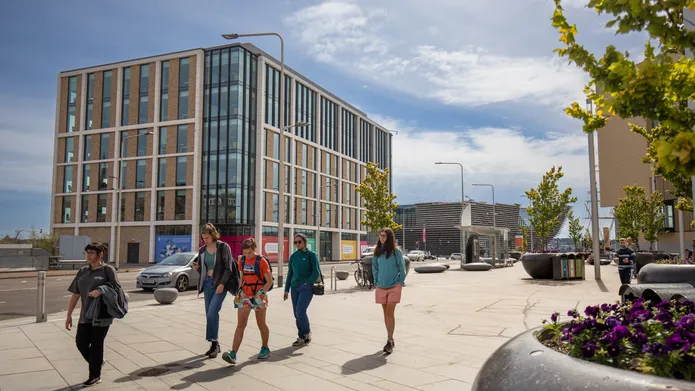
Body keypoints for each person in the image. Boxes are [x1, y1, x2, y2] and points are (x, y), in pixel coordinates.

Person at [65, 242, 119, 387]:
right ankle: (98, 361)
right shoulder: (82, 271)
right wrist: (69, 315)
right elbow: (75, 294)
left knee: (96, 345)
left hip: (102, 315)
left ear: (100, 254)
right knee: (81, 343)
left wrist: (101, 290)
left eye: (91, 253)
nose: (88, 255)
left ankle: (95, 376)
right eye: (86, 252)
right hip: (85, 315)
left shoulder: (108, 270)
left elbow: (116, 288)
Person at [222, 238, 273, 364]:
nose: (247, 255)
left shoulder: (261, 261)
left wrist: (260, 294)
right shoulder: (242, 260)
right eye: (245, 253)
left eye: (249, 253)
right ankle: (233, 353)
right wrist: (239, 291)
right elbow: (242, 278)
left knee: (261, 324)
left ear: (254, 249)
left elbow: (269, 282)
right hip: (245, 294)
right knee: (240, 324)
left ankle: (265, 347)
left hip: (258, 295)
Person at [192, 223, 236, 359]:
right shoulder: (202, 250)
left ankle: (214, 344)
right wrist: (197, 268)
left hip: (219, 284)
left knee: (212, 312)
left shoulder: (223, 247)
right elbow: (203, 269)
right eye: (203, 238)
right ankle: (214, 343)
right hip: (207, 283)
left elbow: (229, 268)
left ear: (213, 235)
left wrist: (222, 284)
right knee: (209, 314)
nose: (205, 240)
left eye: (207, 238)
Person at [372, 228, 406, 354]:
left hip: (394, 286)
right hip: (381, 286)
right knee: (385, 313)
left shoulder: (396, 252)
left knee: (389, 312)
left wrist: (400, 281)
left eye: (384, 236)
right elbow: (374, 268)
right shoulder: (377, 252)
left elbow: (402, 268)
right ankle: (390, 337)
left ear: (389, 237)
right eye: (380, 236)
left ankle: (389, 340)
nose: (381, 238)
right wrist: (376, 282)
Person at [284, 233, 320, 347]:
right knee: (296, 313)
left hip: (306, 288)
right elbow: (290, 273)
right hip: (294, 287)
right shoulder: (293, 256)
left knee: (300, 311)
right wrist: (286, 290)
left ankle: (307, 333)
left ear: (305, 242)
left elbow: (316, 272)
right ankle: (301, 336)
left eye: (299, 242)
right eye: (295, 242)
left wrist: (307, 283)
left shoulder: (312, 255)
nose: (297, 244)